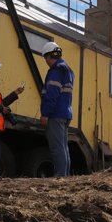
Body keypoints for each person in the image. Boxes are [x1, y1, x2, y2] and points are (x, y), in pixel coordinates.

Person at [40, 41, 74, 177]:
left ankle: (60, 177)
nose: (46, 62)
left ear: (49, 56)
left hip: (55, 114)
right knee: (63, 148)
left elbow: (52, 93)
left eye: (45, 58)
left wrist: (45, 114)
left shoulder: (56, 70)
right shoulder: (68, 70)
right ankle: (64, 177)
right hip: (66, 113)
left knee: (57, 148)